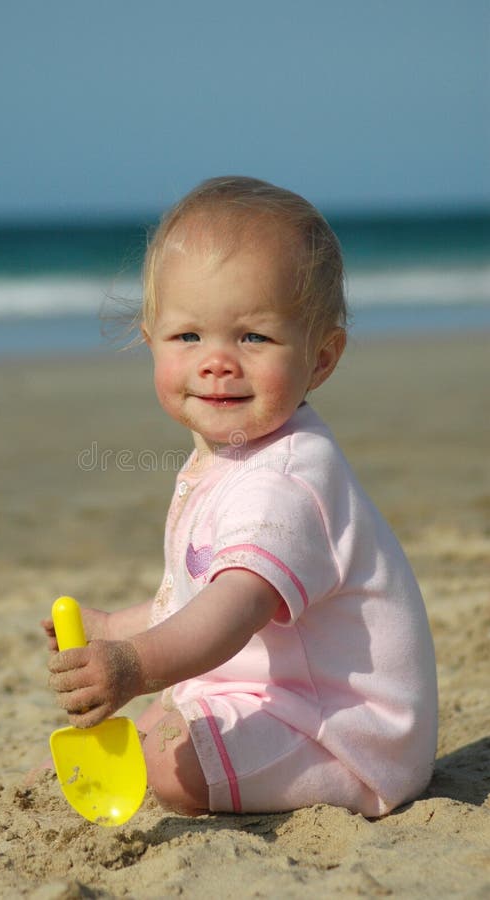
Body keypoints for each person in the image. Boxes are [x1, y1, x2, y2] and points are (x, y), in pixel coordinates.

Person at [42, 176, 438, 817]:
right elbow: (194, 588)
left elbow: (233, 606)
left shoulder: (284, 481)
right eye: (188, 337)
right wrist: (116, 627)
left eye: (253, 337)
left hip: (343, 736)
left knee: (172, 764)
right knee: (151, 730)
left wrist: (135, 664)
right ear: (151, 341)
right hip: (276, 698)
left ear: (322, 357)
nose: (217, 361)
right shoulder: (233, 456)